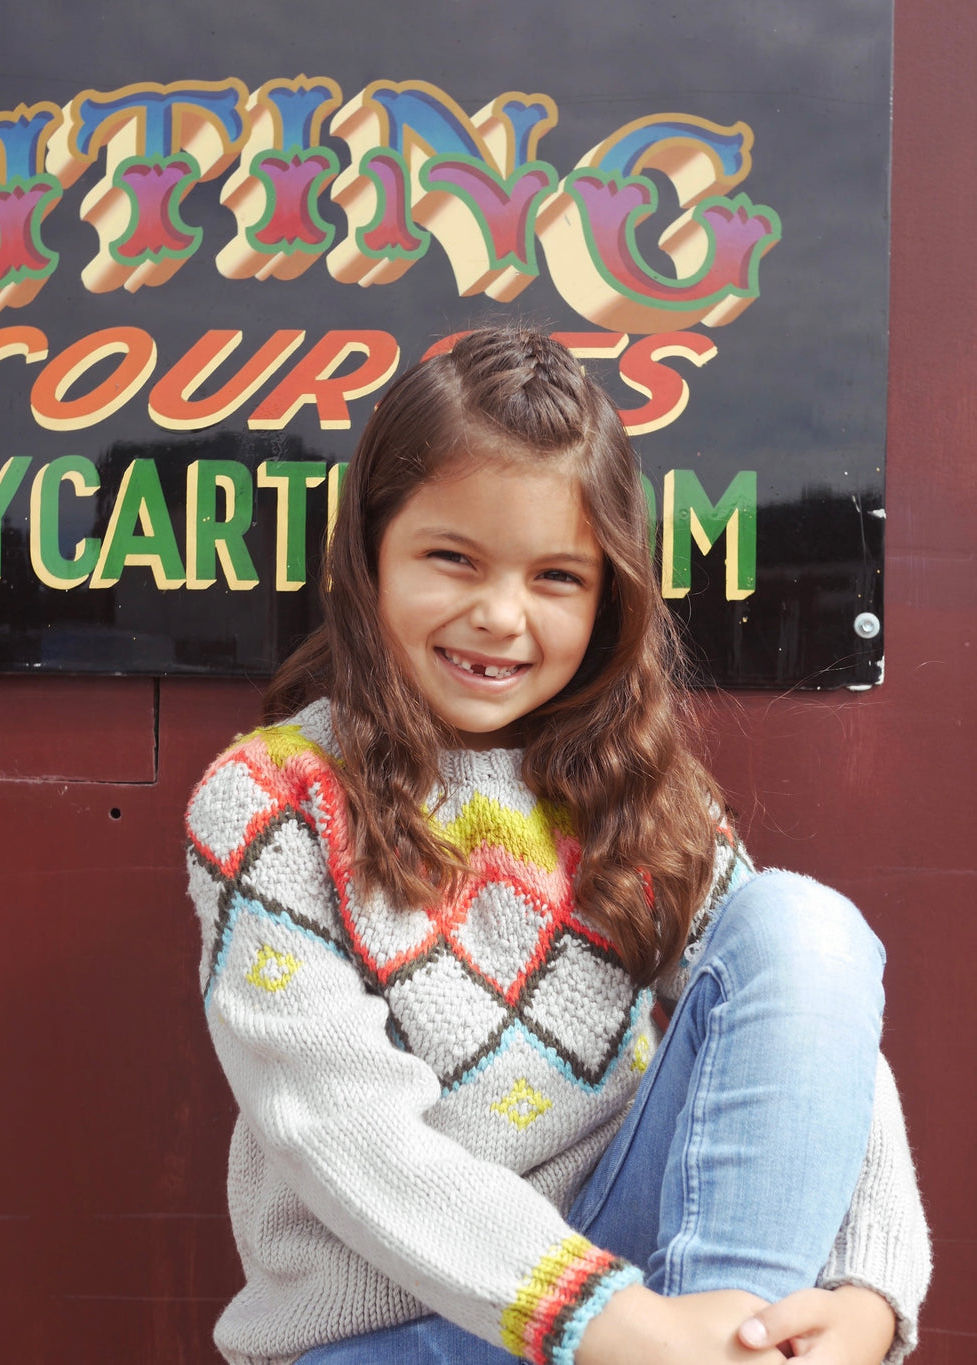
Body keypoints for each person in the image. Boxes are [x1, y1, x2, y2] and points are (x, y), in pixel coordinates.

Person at [186, 327, 930, 1365]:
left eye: (555, 578)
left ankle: (736, 1336)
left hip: (652, 1299)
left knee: (806, 931)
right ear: (368, 557)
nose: (500, 616)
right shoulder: (270, 801)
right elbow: (343, 1132)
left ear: (609, 594)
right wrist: (621, 1332)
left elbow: (814, 1039)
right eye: (452, 559)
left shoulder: (634, 791)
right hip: (399, 1332)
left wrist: (867, 1292)